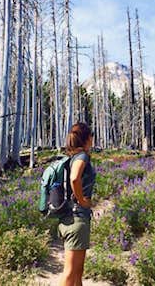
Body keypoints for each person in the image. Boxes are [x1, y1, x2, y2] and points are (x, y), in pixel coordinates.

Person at [59, 122, 96, 286]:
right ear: (87, 138)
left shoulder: (71, 158)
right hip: (77, 219)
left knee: (77, 272)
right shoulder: (82, 157)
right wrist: (82, 200)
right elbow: (75, 178)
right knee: (70, 273)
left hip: (71, 218)